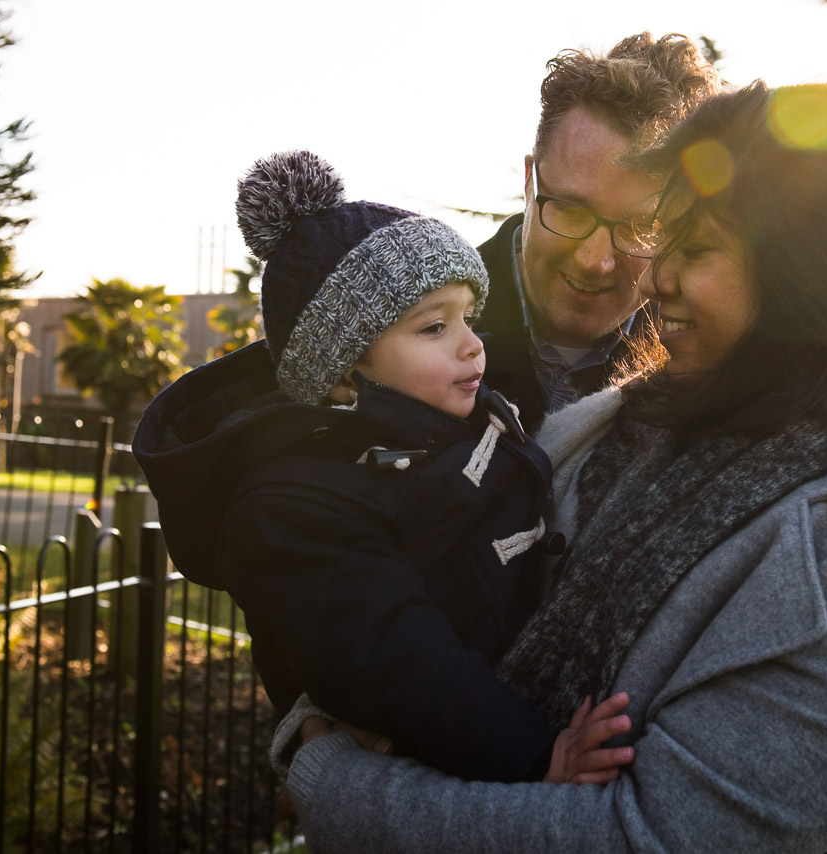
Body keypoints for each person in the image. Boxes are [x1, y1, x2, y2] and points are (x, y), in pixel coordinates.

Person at [284, 80, 827, 852]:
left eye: (694, 249)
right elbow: (423, 604)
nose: (654, 277)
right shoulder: (611, 432)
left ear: (815, 280)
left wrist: (331, 778)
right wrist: (334, 710)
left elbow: (651, 838)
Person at [133, 150, 633, 785]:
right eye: (433, 327)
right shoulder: (295, 505)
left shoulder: (458, 429)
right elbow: (399, 660)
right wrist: (536, 755)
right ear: (345, 368)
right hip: (464, 767)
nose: (471, 343)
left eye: (467, 317)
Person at [478, 32, 722, 431]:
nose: (597, 261)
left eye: (641, 227)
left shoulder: (712, 360)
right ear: (529, 182)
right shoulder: (404, 333)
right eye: (573, 212)